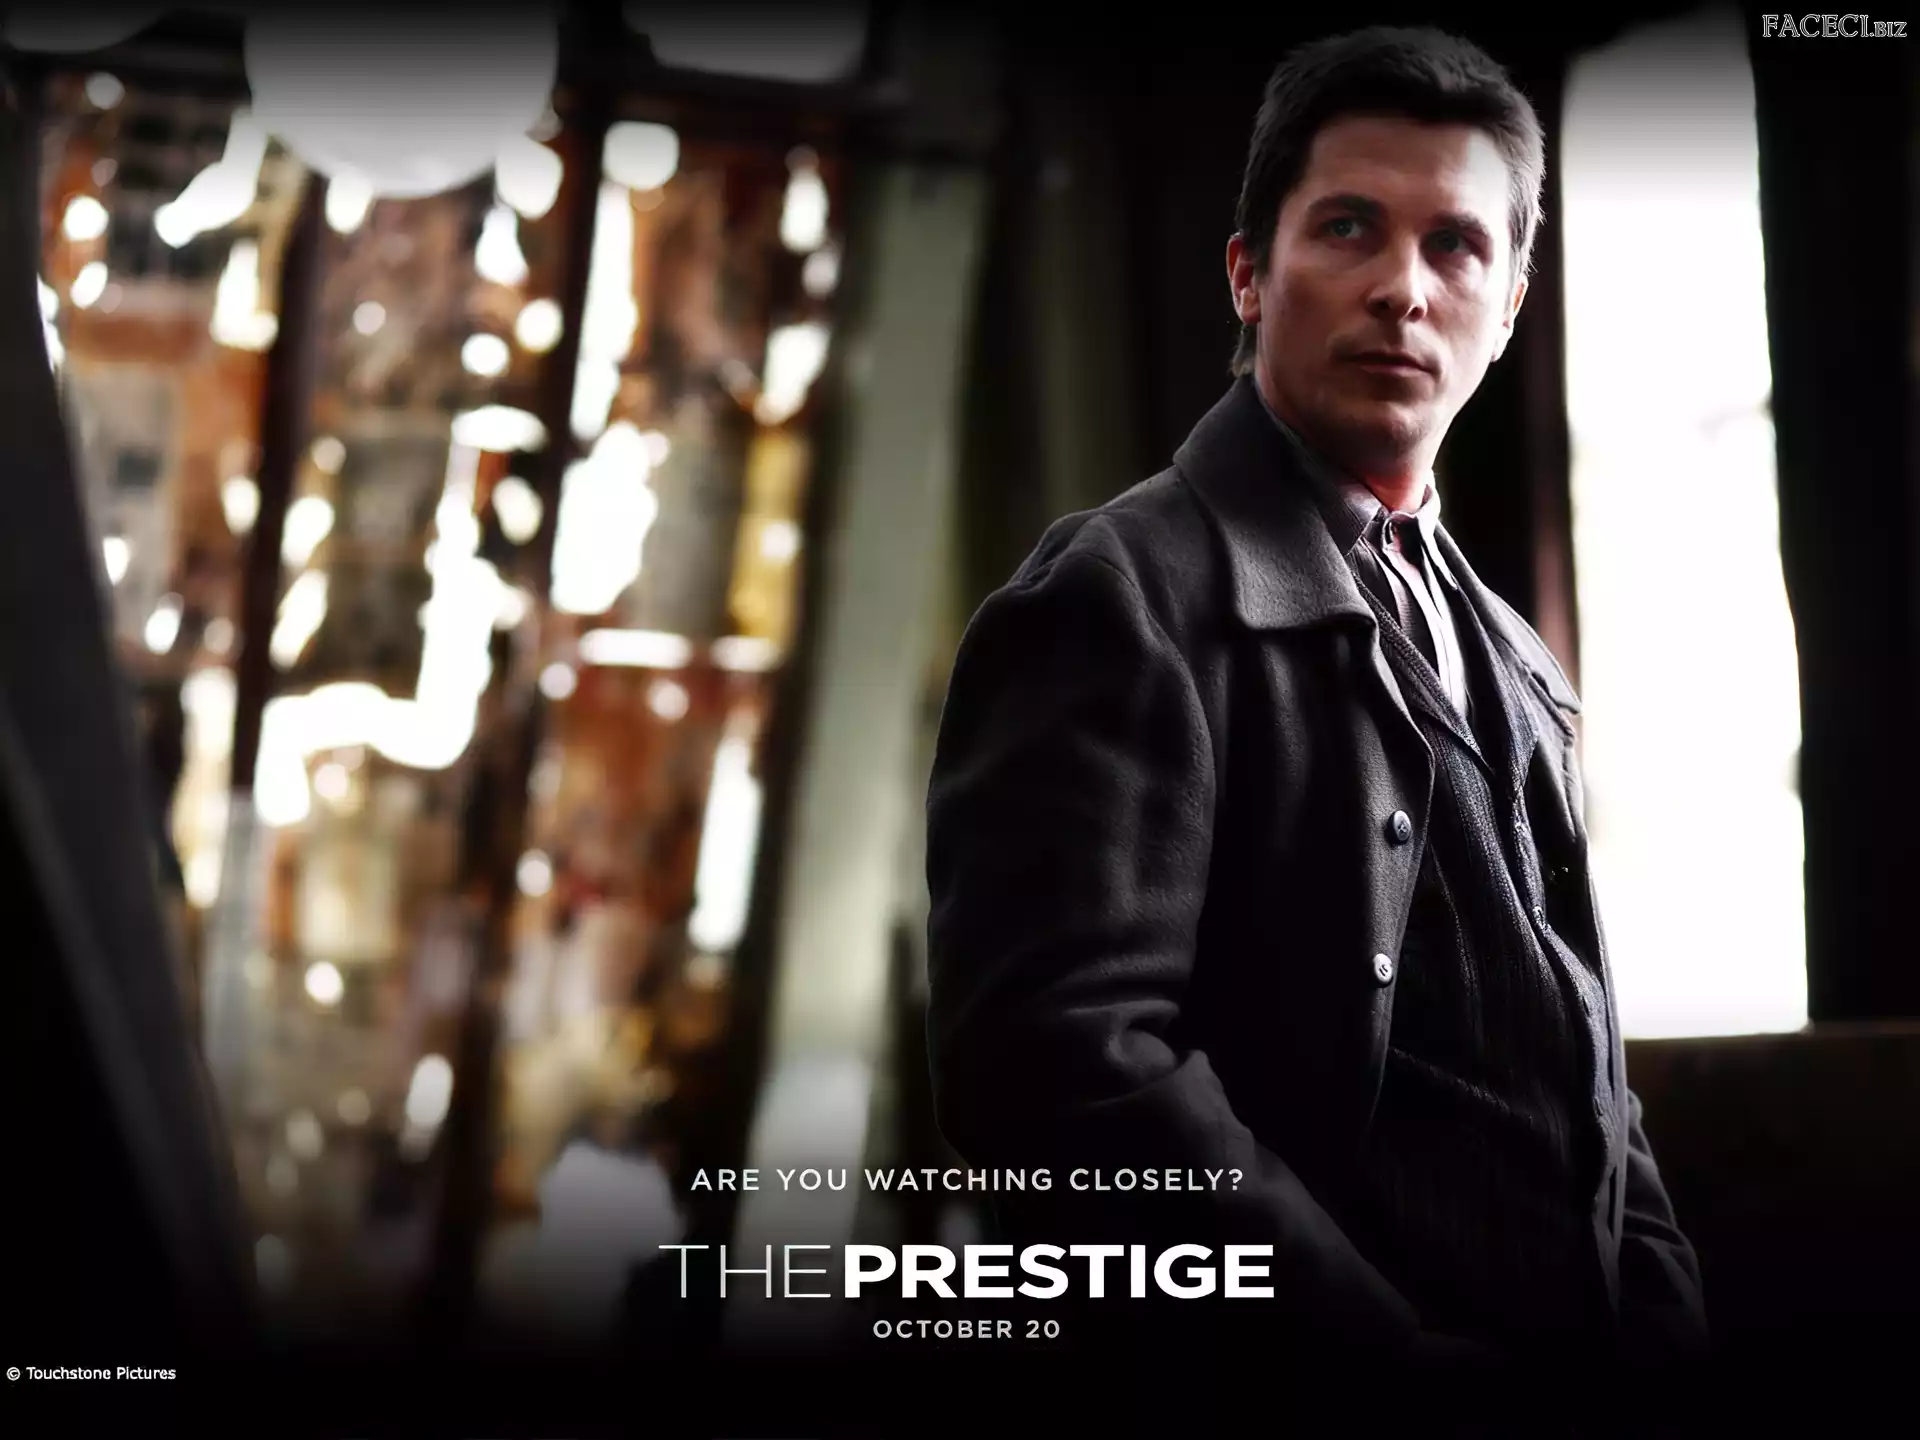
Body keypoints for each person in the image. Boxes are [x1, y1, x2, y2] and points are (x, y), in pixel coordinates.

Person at [923, 25, 1707, 1360]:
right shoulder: (1118, 597)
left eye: (1456, 245)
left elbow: (1580, 1068)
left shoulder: (1512, 652)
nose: (1403, 288)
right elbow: (1056, 1072)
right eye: (1349, 228)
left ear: (1512, 303)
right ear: (1249, 272)